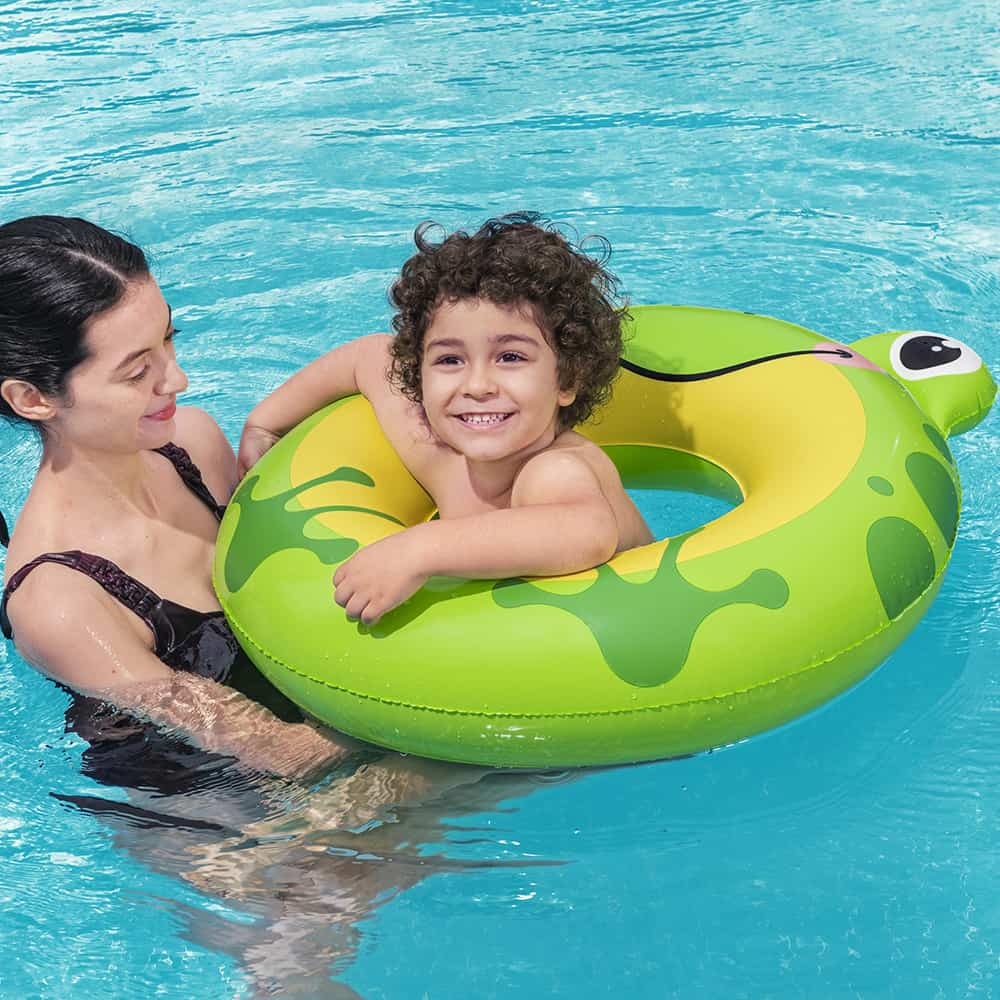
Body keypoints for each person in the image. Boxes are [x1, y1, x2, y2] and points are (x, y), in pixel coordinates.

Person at [239, 213, 654, 626]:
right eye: (450, 360)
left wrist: (419, 549)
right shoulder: (441, 455)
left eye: (510, 357)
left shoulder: (554, 470)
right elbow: (369, 355)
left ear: (567, 380)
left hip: (631, 628)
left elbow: (586, 532)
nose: (477, 385)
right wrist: (264, 424)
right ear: (418, 374)